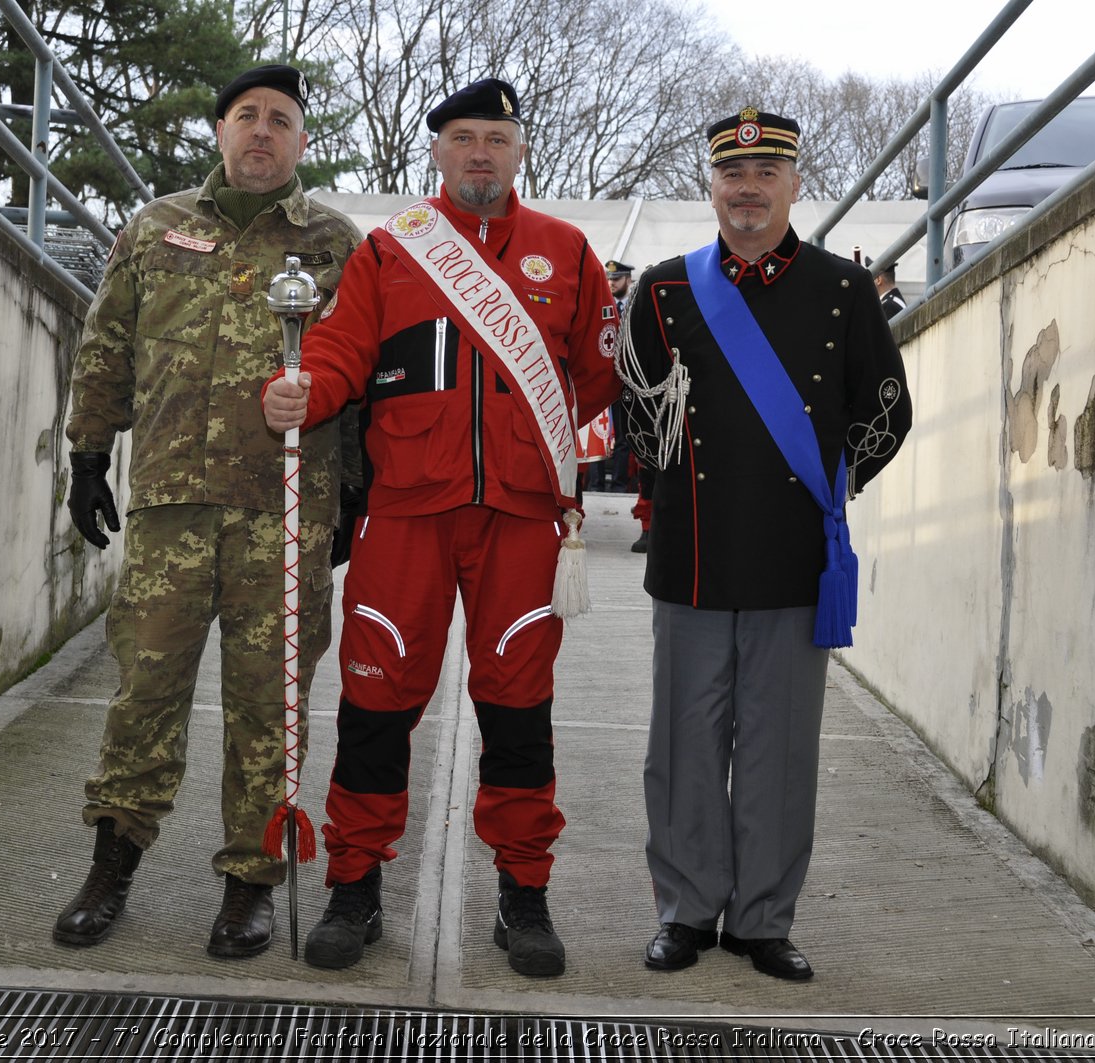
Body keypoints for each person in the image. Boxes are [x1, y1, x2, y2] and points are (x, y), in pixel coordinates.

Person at [262, 78, 623, 978]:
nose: (479, 154)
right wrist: (309, 387)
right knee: (377, 705)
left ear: (520, 151)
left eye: (496, 138)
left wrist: (523, 441)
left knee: (517, 712)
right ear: (438, 151)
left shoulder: (567, 251)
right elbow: (343, 349)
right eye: (463, 137)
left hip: (523, 519)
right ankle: (355, 884)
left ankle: (523, 892)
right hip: (408, 513)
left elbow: (595, 376)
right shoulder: (392, 250)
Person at [54, 64, 363, 960]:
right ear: (220, 133)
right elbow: (106, 343)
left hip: (286, 514)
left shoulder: (337, 245)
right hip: (171, 510)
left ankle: (249, 885)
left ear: (302, 142)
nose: (262, 132)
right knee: (145, 689)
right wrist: (85, 451)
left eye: (280, 120)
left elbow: (368, 376)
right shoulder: (156, 229)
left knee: (271, 704)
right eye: (246, 117)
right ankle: (112, 863)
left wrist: (355, 501)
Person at [618, 108, 911, 980]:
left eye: (765, 173)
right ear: (710, 186)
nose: (747, 190)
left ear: (792, 182)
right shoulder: (665, 291)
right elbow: (635, 413)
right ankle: (685, 910)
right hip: (694, 554)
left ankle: (762, 920)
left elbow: (885, 409)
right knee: (683, 747)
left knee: (780, 748)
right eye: (731, 175)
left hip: (793, 559)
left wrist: (829, 489)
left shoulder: (844, 291)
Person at [603, 260, 637, 493]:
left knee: (625, 435)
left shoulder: (635, 305)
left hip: (627, 380)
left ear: (628, 280)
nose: (611, 283)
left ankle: (618, 485)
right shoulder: (603, 305)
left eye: (616, 279)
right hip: (605, 378)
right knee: (598, 433)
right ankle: (595, 484)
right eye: (610, 279)